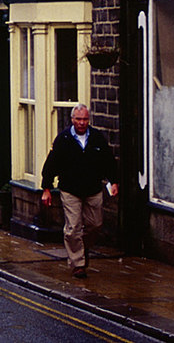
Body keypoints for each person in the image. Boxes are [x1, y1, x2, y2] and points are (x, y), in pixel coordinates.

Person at [40, 103, 118, 279]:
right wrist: (46, 188)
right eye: (79, 119)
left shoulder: (97, 138)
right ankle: (78, 264)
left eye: (85, 119)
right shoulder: (63, 139)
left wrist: (114, 182)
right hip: (70, 190)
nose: (82, 123)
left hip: (93, 189)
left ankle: (81, 249)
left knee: (95, 224)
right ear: (72, 119)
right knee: (73, 228)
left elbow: (109, 161)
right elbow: (51, 165)